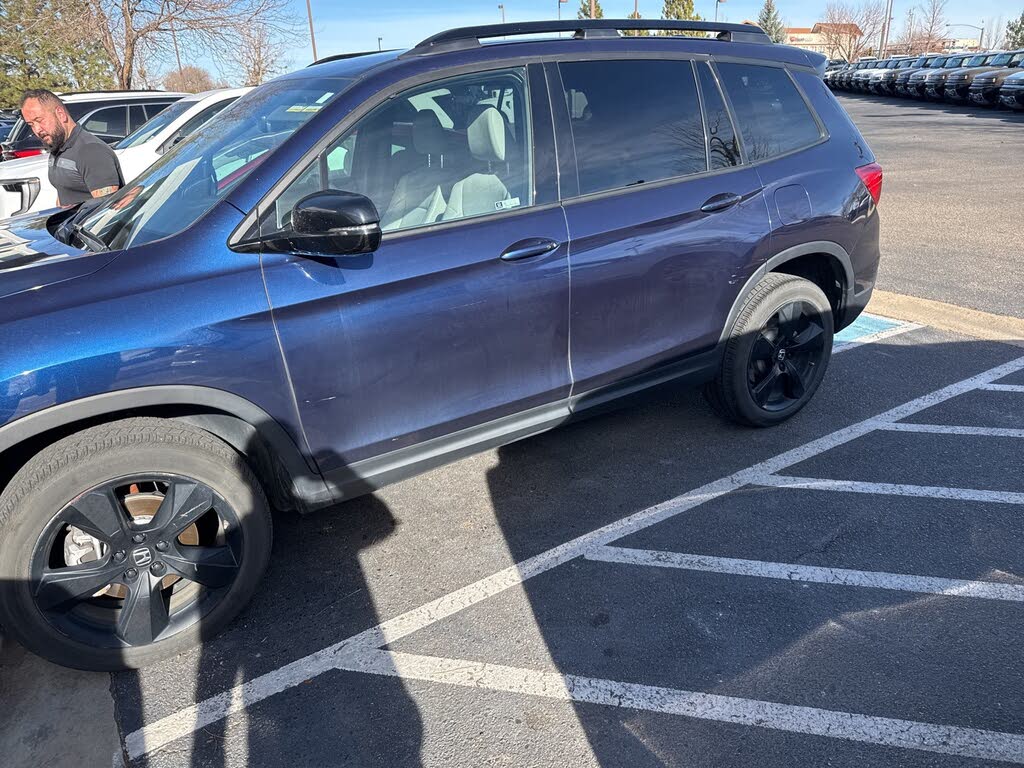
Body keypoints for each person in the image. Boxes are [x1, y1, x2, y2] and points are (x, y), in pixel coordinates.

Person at [18, 89, 124, 207]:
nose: (37, 130)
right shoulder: (58, 146)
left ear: (61, 114)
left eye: (39, 120)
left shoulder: (92, 151)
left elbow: (106, 210)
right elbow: (63, 193)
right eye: (31, 125)